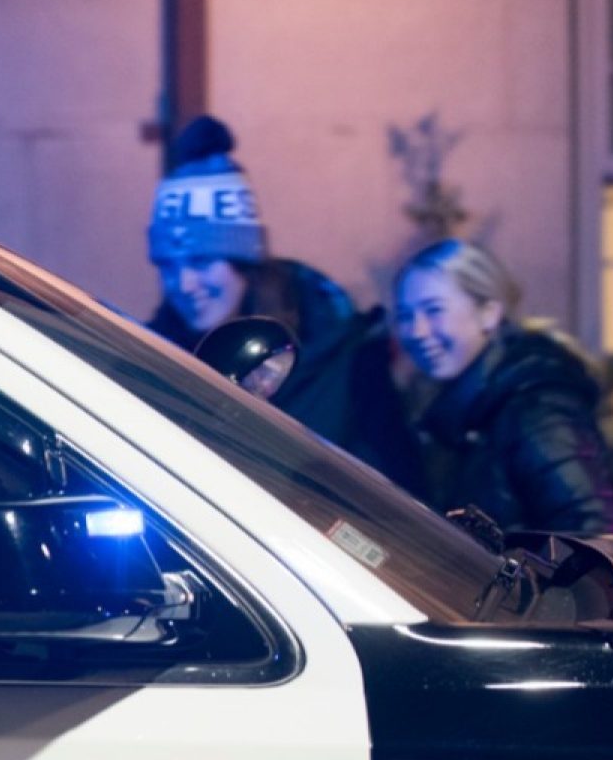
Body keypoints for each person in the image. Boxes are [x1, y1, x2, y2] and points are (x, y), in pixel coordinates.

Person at [145, 116, 424, 490]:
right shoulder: (155, 357)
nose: (184, 283)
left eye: (201, 261)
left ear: (245, 262)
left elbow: (400, 489)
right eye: (167, 266)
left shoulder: (342, 349)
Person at [392, 239, 613, 535]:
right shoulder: (453, 412)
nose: (416, 331)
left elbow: (595, 531)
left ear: (488, 313)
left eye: (434, 310)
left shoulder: (534, 406)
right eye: (404, 316)